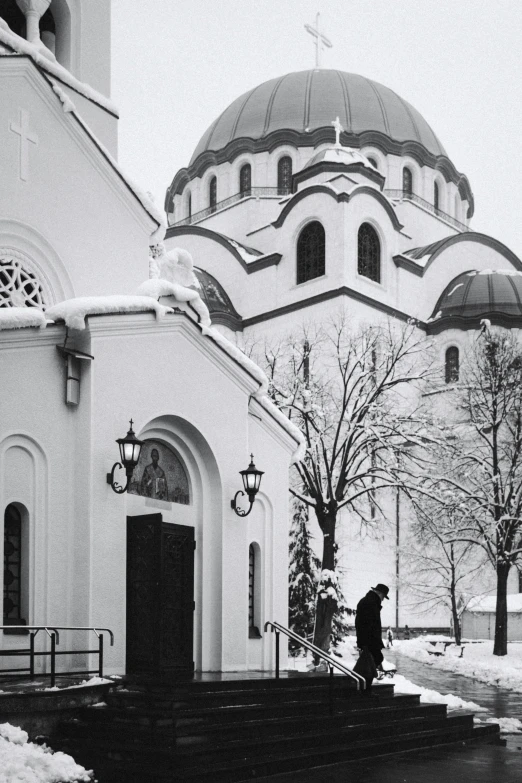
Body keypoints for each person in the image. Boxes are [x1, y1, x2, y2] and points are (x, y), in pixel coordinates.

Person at [355, 583, 389, 677]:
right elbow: (370, 627)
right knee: (367, 669)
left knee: (366, 668)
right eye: (383, 597)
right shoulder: (371, 603)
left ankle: (364, 688)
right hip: (369, 644)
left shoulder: (367, 601)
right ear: (379, 593)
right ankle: (364, 690)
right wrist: (373, 646)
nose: (382, 599)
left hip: (366, 643)